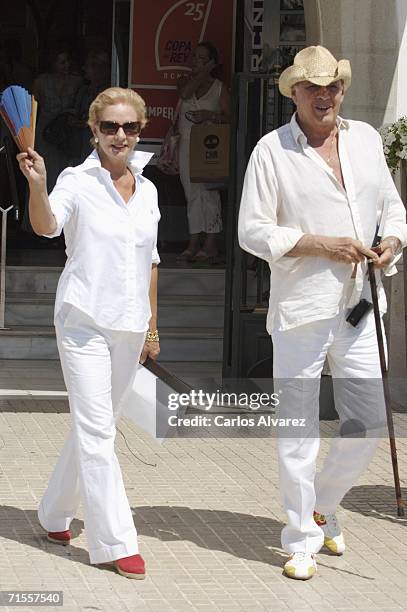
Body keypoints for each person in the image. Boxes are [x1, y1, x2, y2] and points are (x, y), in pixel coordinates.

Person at [238, 46, 407, 580]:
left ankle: (322, 504)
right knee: (297, 432)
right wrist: (317, 244)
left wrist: (392, 242)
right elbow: (252, 231)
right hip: (301, 310)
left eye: (331, 86)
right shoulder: (272, 150)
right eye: (312, 88)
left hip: (360, 304)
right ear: (294, 93)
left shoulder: (365, 141)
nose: (324, 96)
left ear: (341, 90)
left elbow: (393, 207)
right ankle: (301, 540)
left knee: (370, 422)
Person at [17, 87, 161, 579]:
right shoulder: (76, 181)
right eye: (109, 127)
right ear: (93, 130)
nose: (120, 136)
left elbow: (151, 261)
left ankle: (54, 513)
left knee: (92, 425)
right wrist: (37, 185)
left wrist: (152, 328)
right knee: (100, 431)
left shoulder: (150, 188)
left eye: (130, 127)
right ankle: (115, 541)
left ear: (141, 130)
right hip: (83, 321)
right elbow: (46, 226)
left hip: (130, 324)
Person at [176, 41, 230, 262]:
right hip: (187, 144)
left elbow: (230, 116)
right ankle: (193, 241)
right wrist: (202, 73)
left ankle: (210, 242)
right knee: (192, 194)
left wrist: (210, 116)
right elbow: (187, 94)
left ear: (211, 62)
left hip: (209, 146)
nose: (196, 62)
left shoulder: (219, 87)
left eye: (202, 58)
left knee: (209, 194)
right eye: (195, 58)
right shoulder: (185, 82)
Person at [33, 47, 82, 191]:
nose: (66, 65)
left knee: (64, 171)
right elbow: (33, 108)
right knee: (43, 169)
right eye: (62, 62)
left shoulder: (77, 82)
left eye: (67, 62)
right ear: (53, 63)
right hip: (45, 131)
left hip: (65, 132)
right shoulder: (40, 81)